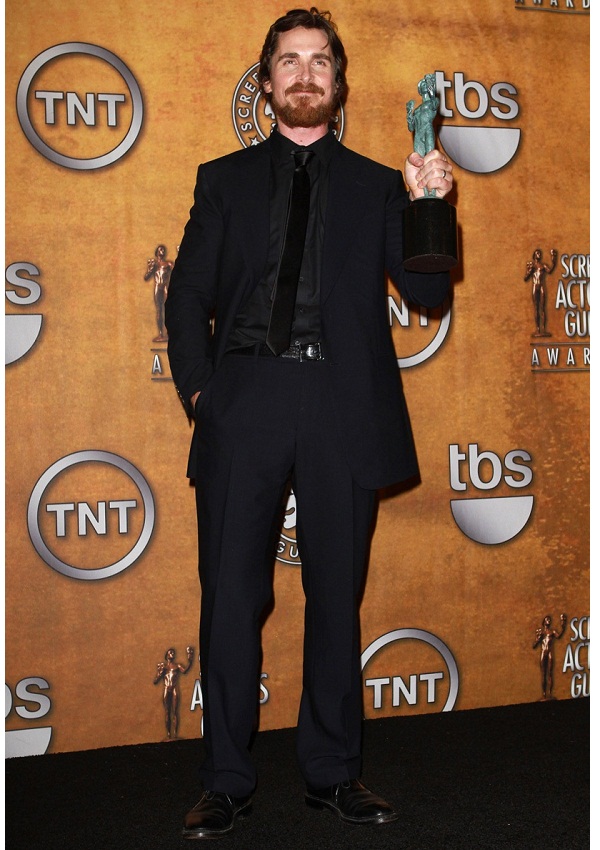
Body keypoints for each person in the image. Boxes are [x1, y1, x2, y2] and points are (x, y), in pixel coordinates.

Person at [166, 7, 454, 840]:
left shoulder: (377, 184)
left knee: (335, 597)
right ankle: (225, 780)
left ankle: (332, 773)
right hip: (244, 401)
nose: (304, 74)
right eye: (288, 61)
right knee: (230, 599)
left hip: (342, 404)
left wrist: (430, 203)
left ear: (338, 81)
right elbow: (188, 297)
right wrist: (202, 393)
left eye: (319, 60)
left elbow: (428, 294)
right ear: (266, 82)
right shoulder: (221, 179)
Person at [153, 646, 195, 739]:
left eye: (173, 653)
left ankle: (175, 734)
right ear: (167, 655)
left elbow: (185, 671)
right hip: (166, 688)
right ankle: (168, 734)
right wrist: (159, 673)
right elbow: (155, 681)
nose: (173, 654)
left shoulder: (177, 666)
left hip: (174, 688)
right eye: (171, 652)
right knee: (167, 712)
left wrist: (190, 661)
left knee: (175, 712)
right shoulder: (164, 667)